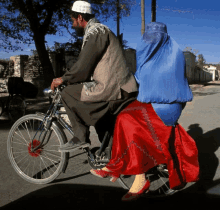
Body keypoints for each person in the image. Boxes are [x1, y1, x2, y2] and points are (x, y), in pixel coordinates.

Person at [90, 22, 200, 202]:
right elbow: (139, 79)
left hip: (168, 106)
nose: (150, 41)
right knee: (122, 115)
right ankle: (118, 164)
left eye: (154, 37)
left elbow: (165, 85)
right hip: (151, 101)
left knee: (129, 120)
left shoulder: (175, 56)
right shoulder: (148, 54)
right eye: (148, 37)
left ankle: (139, 178)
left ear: (164, 37)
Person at [51, 1, 138, 152]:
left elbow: (83, 67)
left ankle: (79, 137)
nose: (72, 25)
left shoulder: (96, 32)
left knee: (67, 93)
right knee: (98, 117)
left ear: (79, 18)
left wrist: (63, 79)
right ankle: (109, 154)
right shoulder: (101, 31)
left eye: (72, 21)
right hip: (122, 87)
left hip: (113, 89)